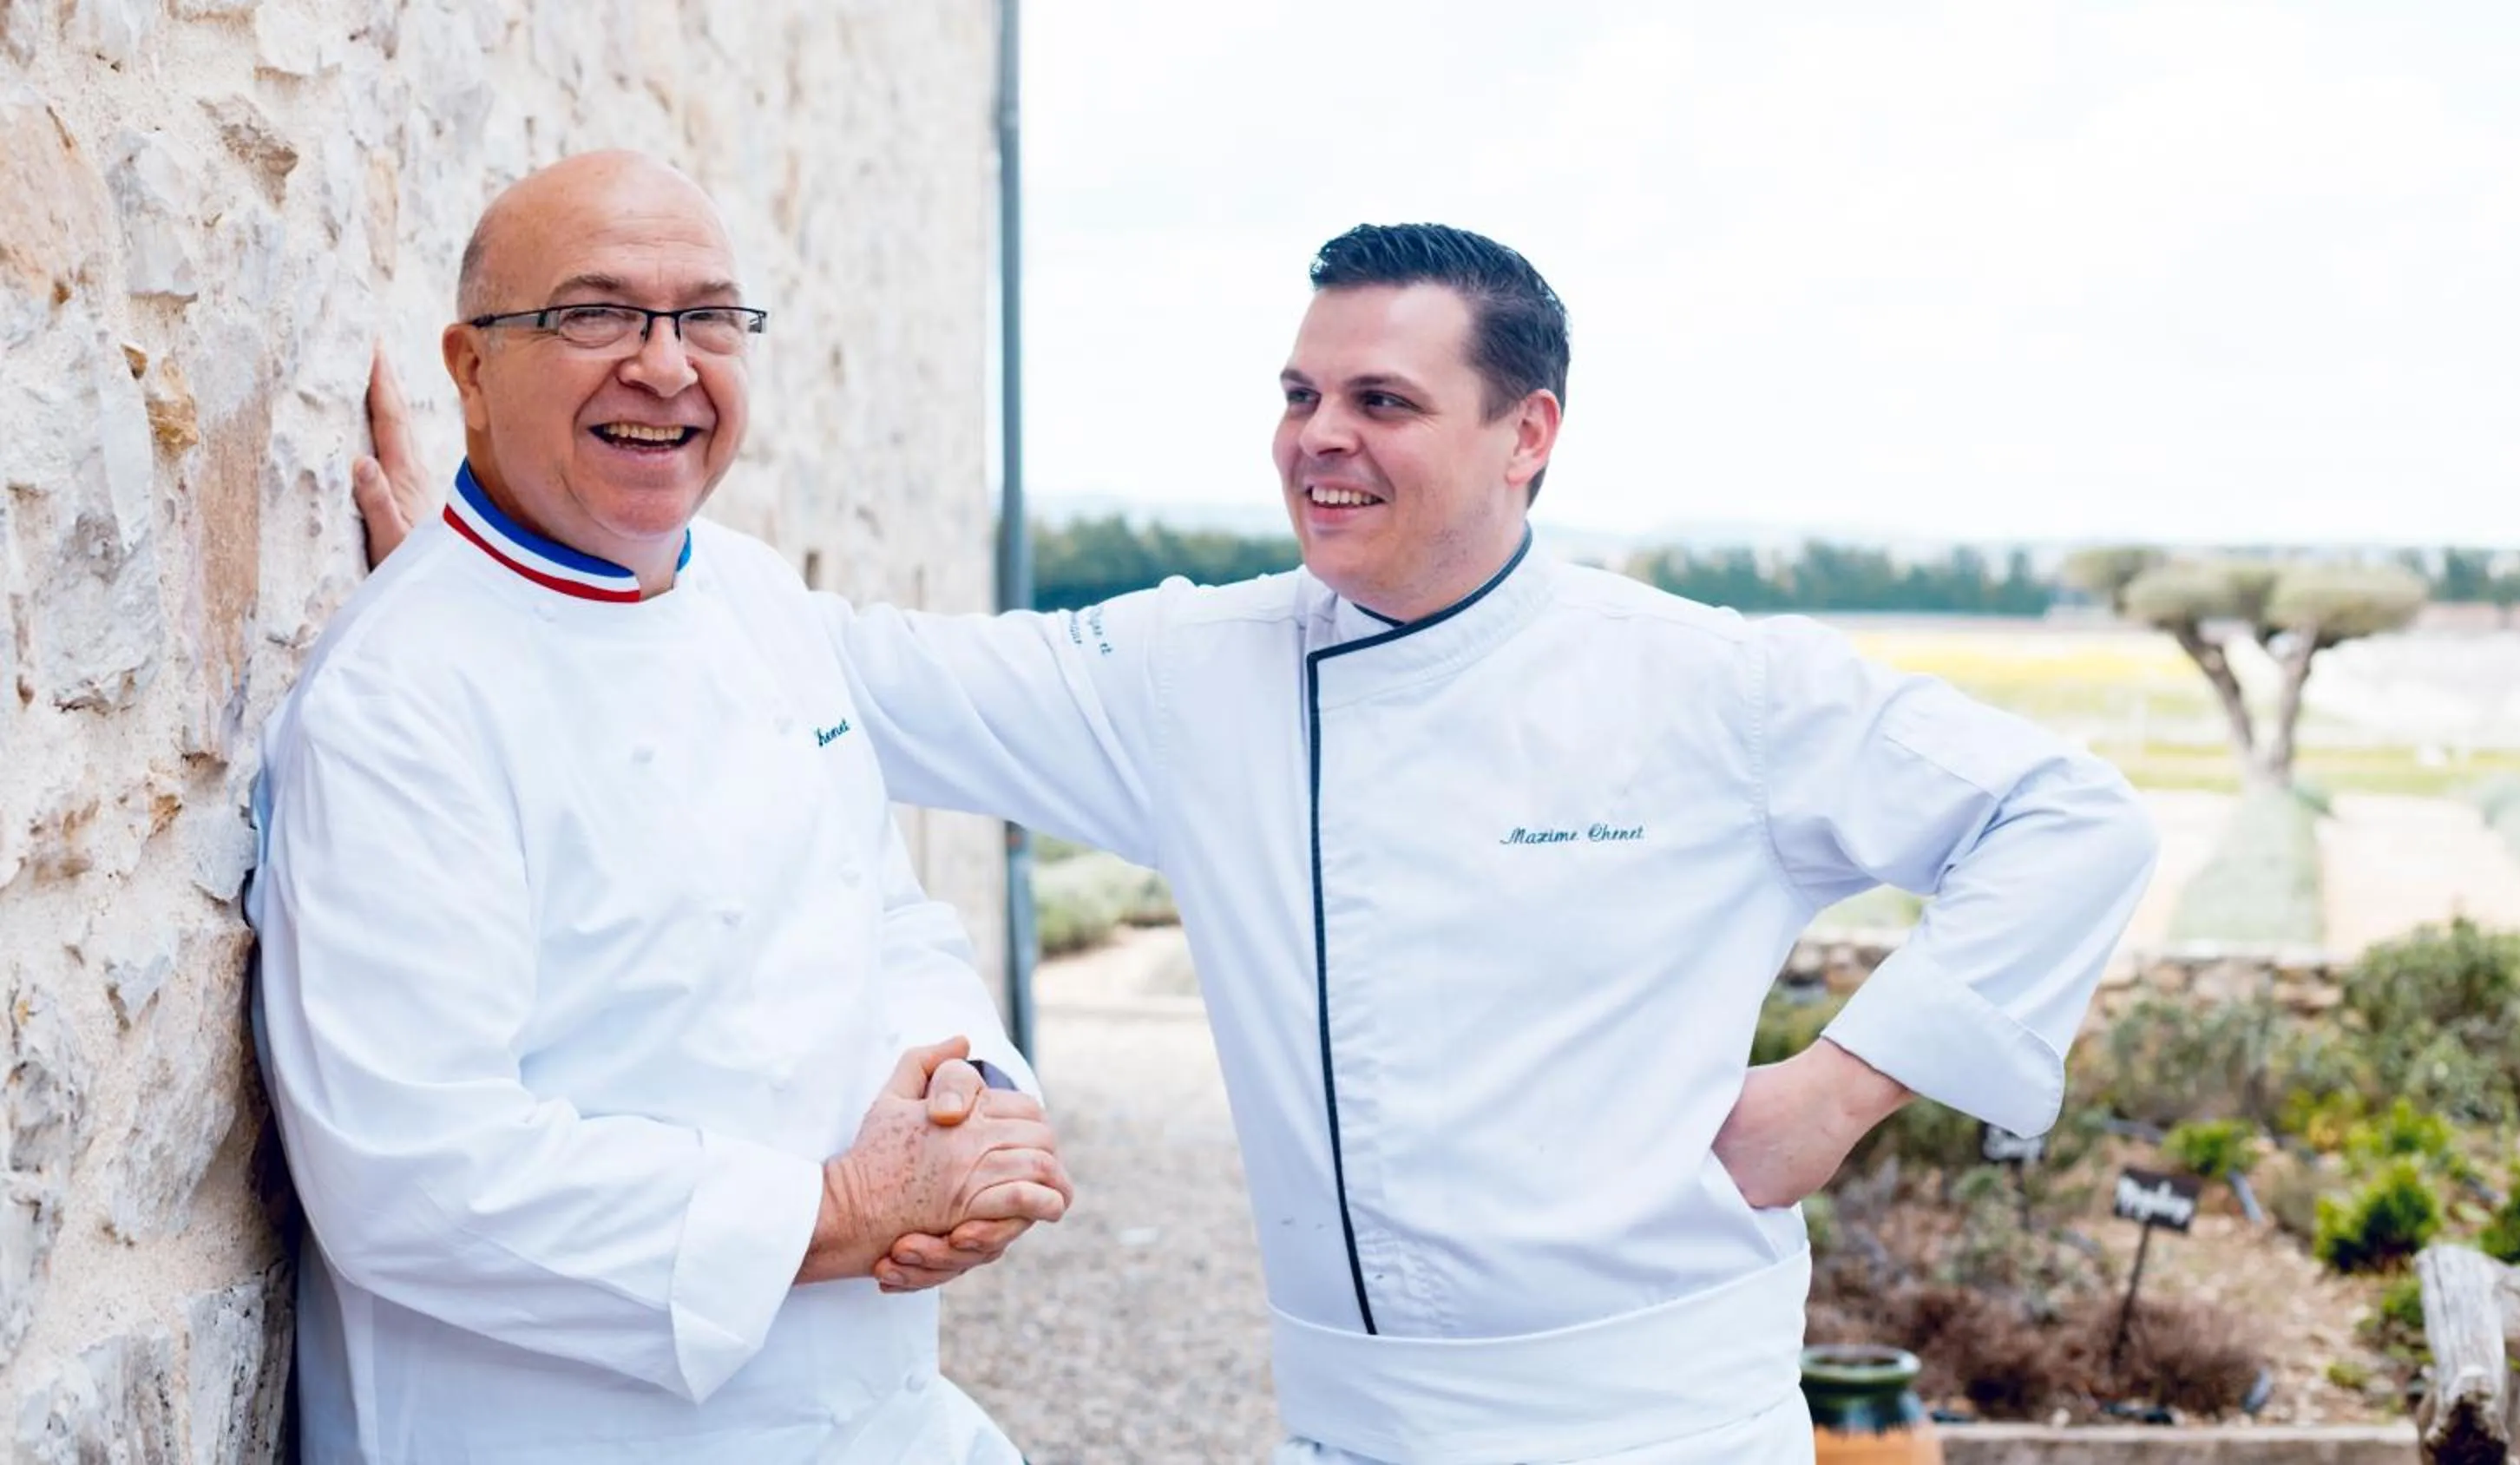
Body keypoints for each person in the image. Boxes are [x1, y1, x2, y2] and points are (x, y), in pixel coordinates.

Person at [355, 219, 2159, 1462]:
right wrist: (508, 566)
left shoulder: (1707, 682)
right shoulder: (1191, 670)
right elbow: (812, 662)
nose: (1319, 442)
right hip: (1344, 1422)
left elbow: (2063, 818)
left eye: (1383, 404)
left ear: (1528, 435)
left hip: (1660, 1417)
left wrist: (1835, 1091)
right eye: (1301, 396)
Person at [248, 151, 1072, 1464]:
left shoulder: (758, 596)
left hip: (881, 1413)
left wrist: (973, 1106)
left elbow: (887, 917)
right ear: (470, 368)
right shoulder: (397, 698)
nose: (667, 366)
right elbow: (414, 1176)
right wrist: (845, 1209)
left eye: (708, 318)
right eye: (597, 314)